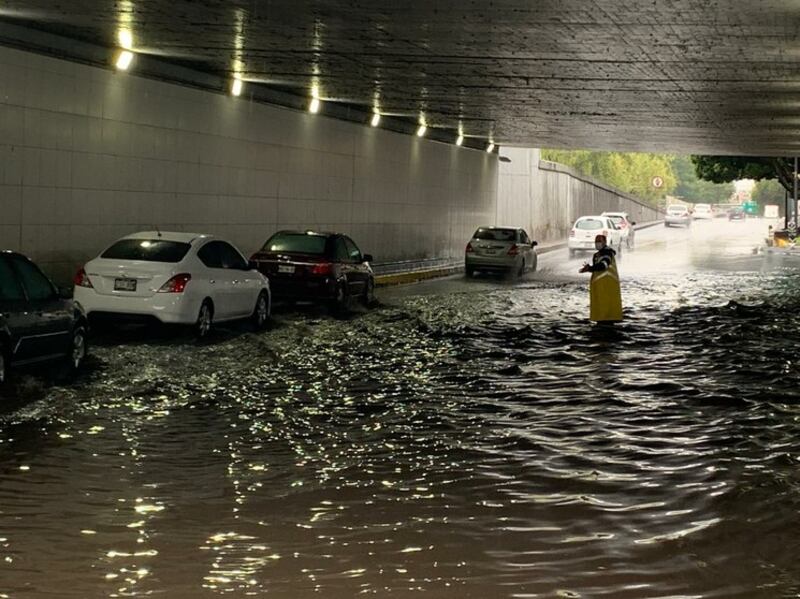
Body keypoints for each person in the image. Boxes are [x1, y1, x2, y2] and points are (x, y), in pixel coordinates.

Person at [579, 234, 623, 323]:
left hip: (608, 286)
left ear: (605, 242)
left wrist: (590, 268)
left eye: (599, 241)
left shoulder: (607, 253)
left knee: (607, 309)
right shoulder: (597, 255)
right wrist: (589, 269)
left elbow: (604, 265)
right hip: (600, 287)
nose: (597, 243)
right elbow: (598, 268)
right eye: (596, 241)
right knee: (601, 308)